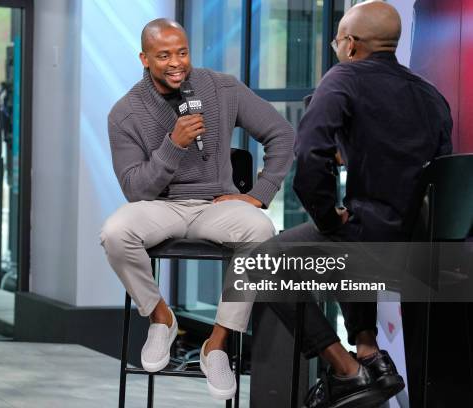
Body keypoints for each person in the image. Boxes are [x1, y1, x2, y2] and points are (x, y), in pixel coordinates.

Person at [255, 1, 453, 407]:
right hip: (423, 249)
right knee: (353, 230)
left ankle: (346, 372)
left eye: (336, 38)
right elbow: (439, 177)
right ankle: (369, 354)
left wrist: (327, 218)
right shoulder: (432, 96)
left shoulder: (343, 77)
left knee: (263, 263)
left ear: (349, 44)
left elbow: (310, 157)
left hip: (368, 243)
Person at [100, 18, 295, 400]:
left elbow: (282, 133)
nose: (177, 63)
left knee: (261, 231)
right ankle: (161, 318)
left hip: (215, 205)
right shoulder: (124, 113)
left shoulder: (221, 87)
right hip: (160, 207)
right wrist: (173, 144)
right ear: (144, 58)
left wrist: (259, 193)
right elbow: (134, 189)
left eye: (183, 52)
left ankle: (217, 344)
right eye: (164, 55)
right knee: (115, 233)